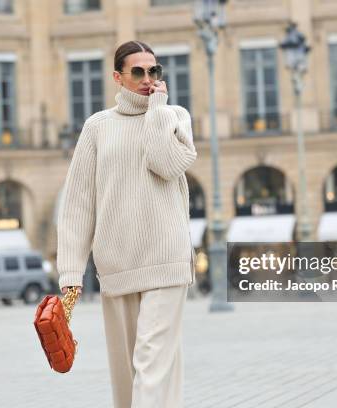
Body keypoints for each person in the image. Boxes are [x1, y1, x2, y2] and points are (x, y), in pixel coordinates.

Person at [57, 40, 198, 408]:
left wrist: (157, 110)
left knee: (151, 361)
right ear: (118, 77)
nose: (148, 79)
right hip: (117, 265)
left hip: (167, 260)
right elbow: (78, 202)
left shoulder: (175, 117)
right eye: (139, 71)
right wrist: (71, 272)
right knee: (127, 374)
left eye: (155, 71)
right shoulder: (98, 127)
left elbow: (164, 163)